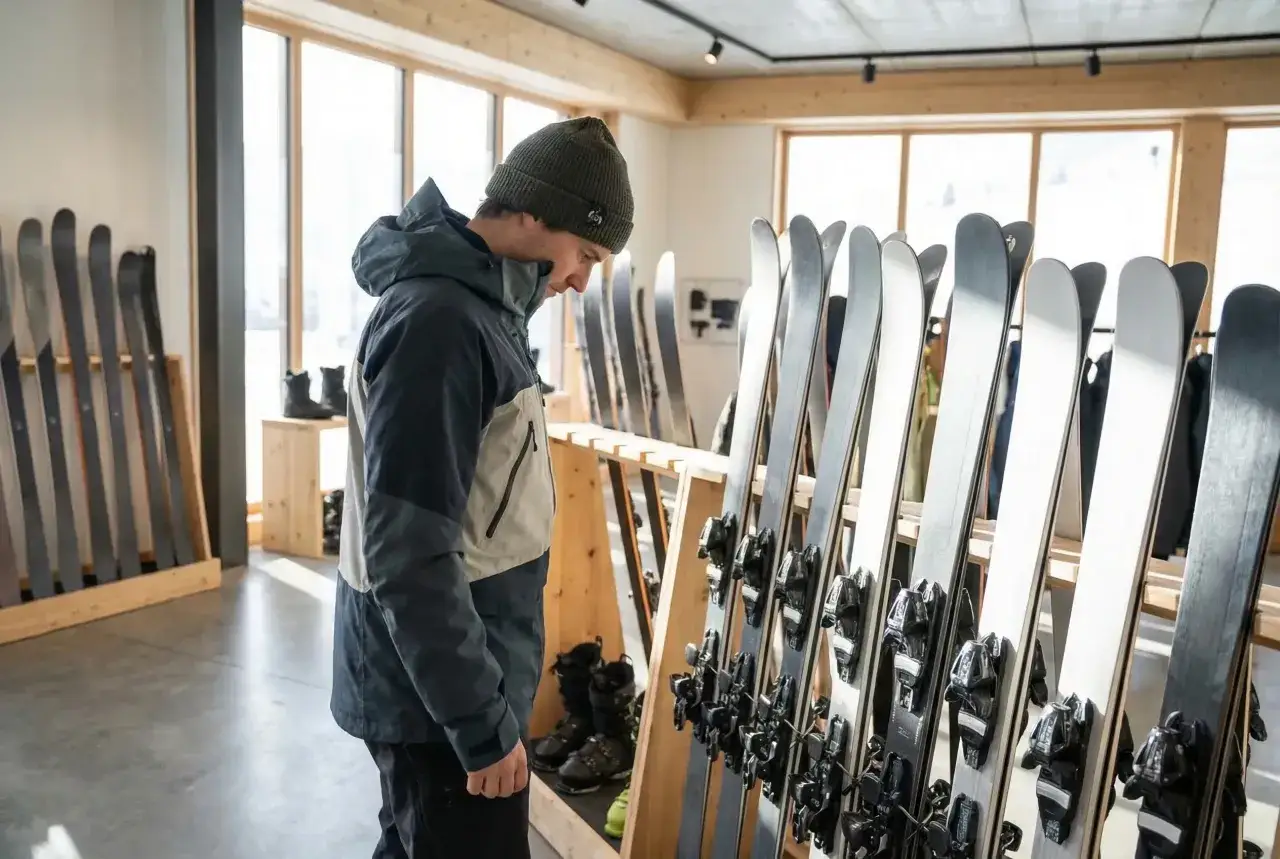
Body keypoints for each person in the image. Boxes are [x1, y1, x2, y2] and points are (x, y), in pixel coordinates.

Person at [329, 116, 634, 858]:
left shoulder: (485, 311)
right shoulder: (442, 322)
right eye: (583, 253)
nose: (580, 279)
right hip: (436, 702)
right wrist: (481, 724)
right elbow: (409, 554)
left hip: (450, 683)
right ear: (534, 213)